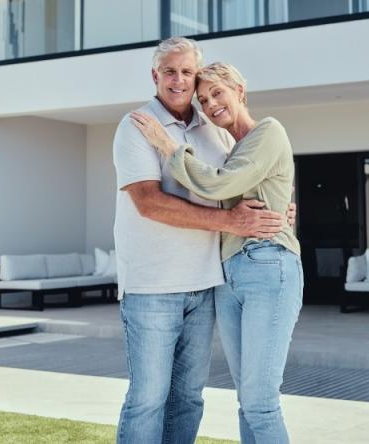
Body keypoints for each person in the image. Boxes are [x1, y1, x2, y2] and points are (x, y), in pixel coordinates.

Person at [113, 38, 292, 444]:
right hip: (152, 287)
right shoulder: (138, 126)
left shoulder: (216, 131)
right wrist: (229, 219)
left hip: (208, 285)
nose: (178, 80)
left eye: (187, 73)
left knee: (190, 399)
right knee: (148, 398)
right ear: (155, 75)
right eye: (170, 71)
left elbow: (241, 188)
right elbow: (148, 203)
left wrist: (281, 211)